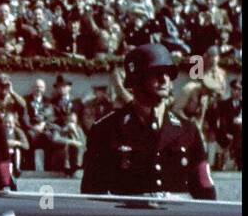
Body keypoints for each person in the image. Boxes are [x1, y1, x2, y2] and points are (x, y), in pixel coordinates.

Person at [81, 43, 216, 199]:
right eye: (156, 72)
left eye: (168, 73)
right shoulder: (105, 130)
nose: (164, 79)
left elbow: (206, 191)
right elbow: (92, 195)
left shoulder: (188, 131)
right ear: (137, 79)